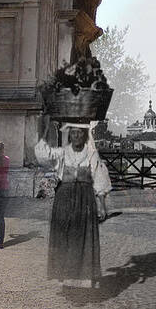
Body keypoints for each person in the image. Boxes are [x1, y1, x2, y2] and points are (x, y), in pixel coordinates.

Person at [47, 122, 111, 289]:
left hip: (84, 198)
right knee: (64, 235)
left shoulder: (91, 154)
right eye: (73, 133)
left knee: (82, 235)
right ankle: (65, 275)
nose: (76, 136)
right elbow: (57, 176)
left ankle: (84, 277)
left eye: (79, 133)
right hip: (64, 199)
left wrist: (102, 206)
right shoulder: (63, 153)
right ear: (70, 135)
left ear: (84, 135)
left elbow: (99, 179)